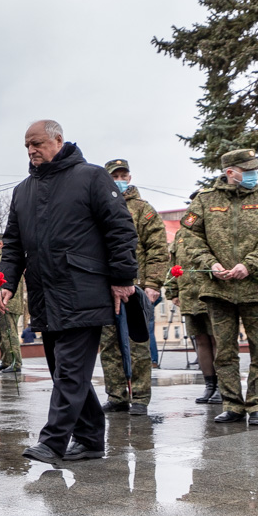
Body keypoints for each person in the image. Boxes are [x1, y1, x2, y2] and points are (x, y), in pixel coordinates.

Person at [0, 120, 138, 463]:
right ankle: (90, 439)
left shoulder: (91, 177)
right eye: (27, 146)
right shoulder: (23, 190)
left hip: (84, 289)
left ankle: (53, 441)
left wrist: (122, 277)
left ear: (58, 140)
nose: (31, 151)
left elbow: (120, 229)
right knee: (66, 371)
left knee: (71, 371)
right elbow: (13, 245)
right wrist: (6, 284)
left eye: (37, 143)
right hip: (46, 293)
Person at [179, 149, 258, 426]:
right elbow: (190, 237)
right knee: (225, 351)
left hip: (256, 288)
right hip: (218, 289)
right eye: (247, 169)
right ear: (230, 173)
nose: (253, 174)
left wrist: (249, 265)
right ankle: (232, 404)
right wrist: (210, 264)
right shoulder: (205, 201)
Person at [97, 159, 169, 416]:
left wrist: (153, 284)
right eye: (115, 175)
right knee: (109, 344)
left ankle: (139, 397)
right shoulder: (98, 207)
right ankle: (116, 396)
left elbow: (158, 250)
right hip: (105, 288)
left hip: (137, 289)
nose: (120, 178)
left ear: (129, 177)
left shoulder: (143, 210)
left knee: (138, 343)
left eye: (123, 174)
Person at [166, 190, 219, 403]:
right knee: (200, 341)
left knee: (218, 341)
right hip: (190, 294)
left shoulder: (215, 228)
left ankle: (225, 387)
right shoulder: (182, 233)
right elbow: (174, 265)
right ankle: (209, 385)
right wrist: (173, 292)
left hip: (213, 294)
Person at [0, 234, 25, 373]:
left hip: (9, 302)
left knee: (10, 334)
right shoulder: (0, 258)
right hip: (3, 300)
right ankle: (6, 361)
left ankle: (15, 363)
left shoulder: (6, 259)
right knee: (2, 334)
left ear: (1, 243)